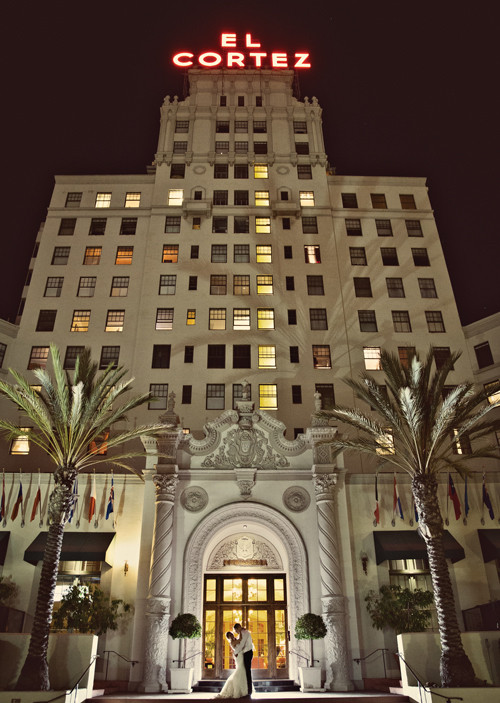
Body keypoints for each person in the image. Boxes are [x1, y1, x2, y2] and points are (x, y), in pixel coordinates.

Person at [212, 631, 249, 699]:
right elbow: (240, 640)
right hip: (239, 657)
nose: (231, 636)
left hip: (241, 655)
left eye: (231, 634)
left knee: (243, 670)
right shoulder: (232, 642)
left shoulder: (235, 639)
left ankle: (244, 689)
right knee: (240, 669)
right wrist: (240, 631)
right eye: (229, 635)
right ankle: (238, 689)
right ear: (228, 638)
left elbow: (241, 642)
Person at [232, 622, 253, 697]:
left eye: (236, 631)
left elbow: (242, 644)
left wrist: (235, 652)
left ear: (238, 628)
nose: (236, 633)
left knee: (248, 671)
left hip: (248, 652)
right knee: (246, 671)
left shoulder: (245, 633)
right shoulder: (241, 633)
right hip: (245, 653)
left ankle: (249, 691)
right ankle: (246, 690)